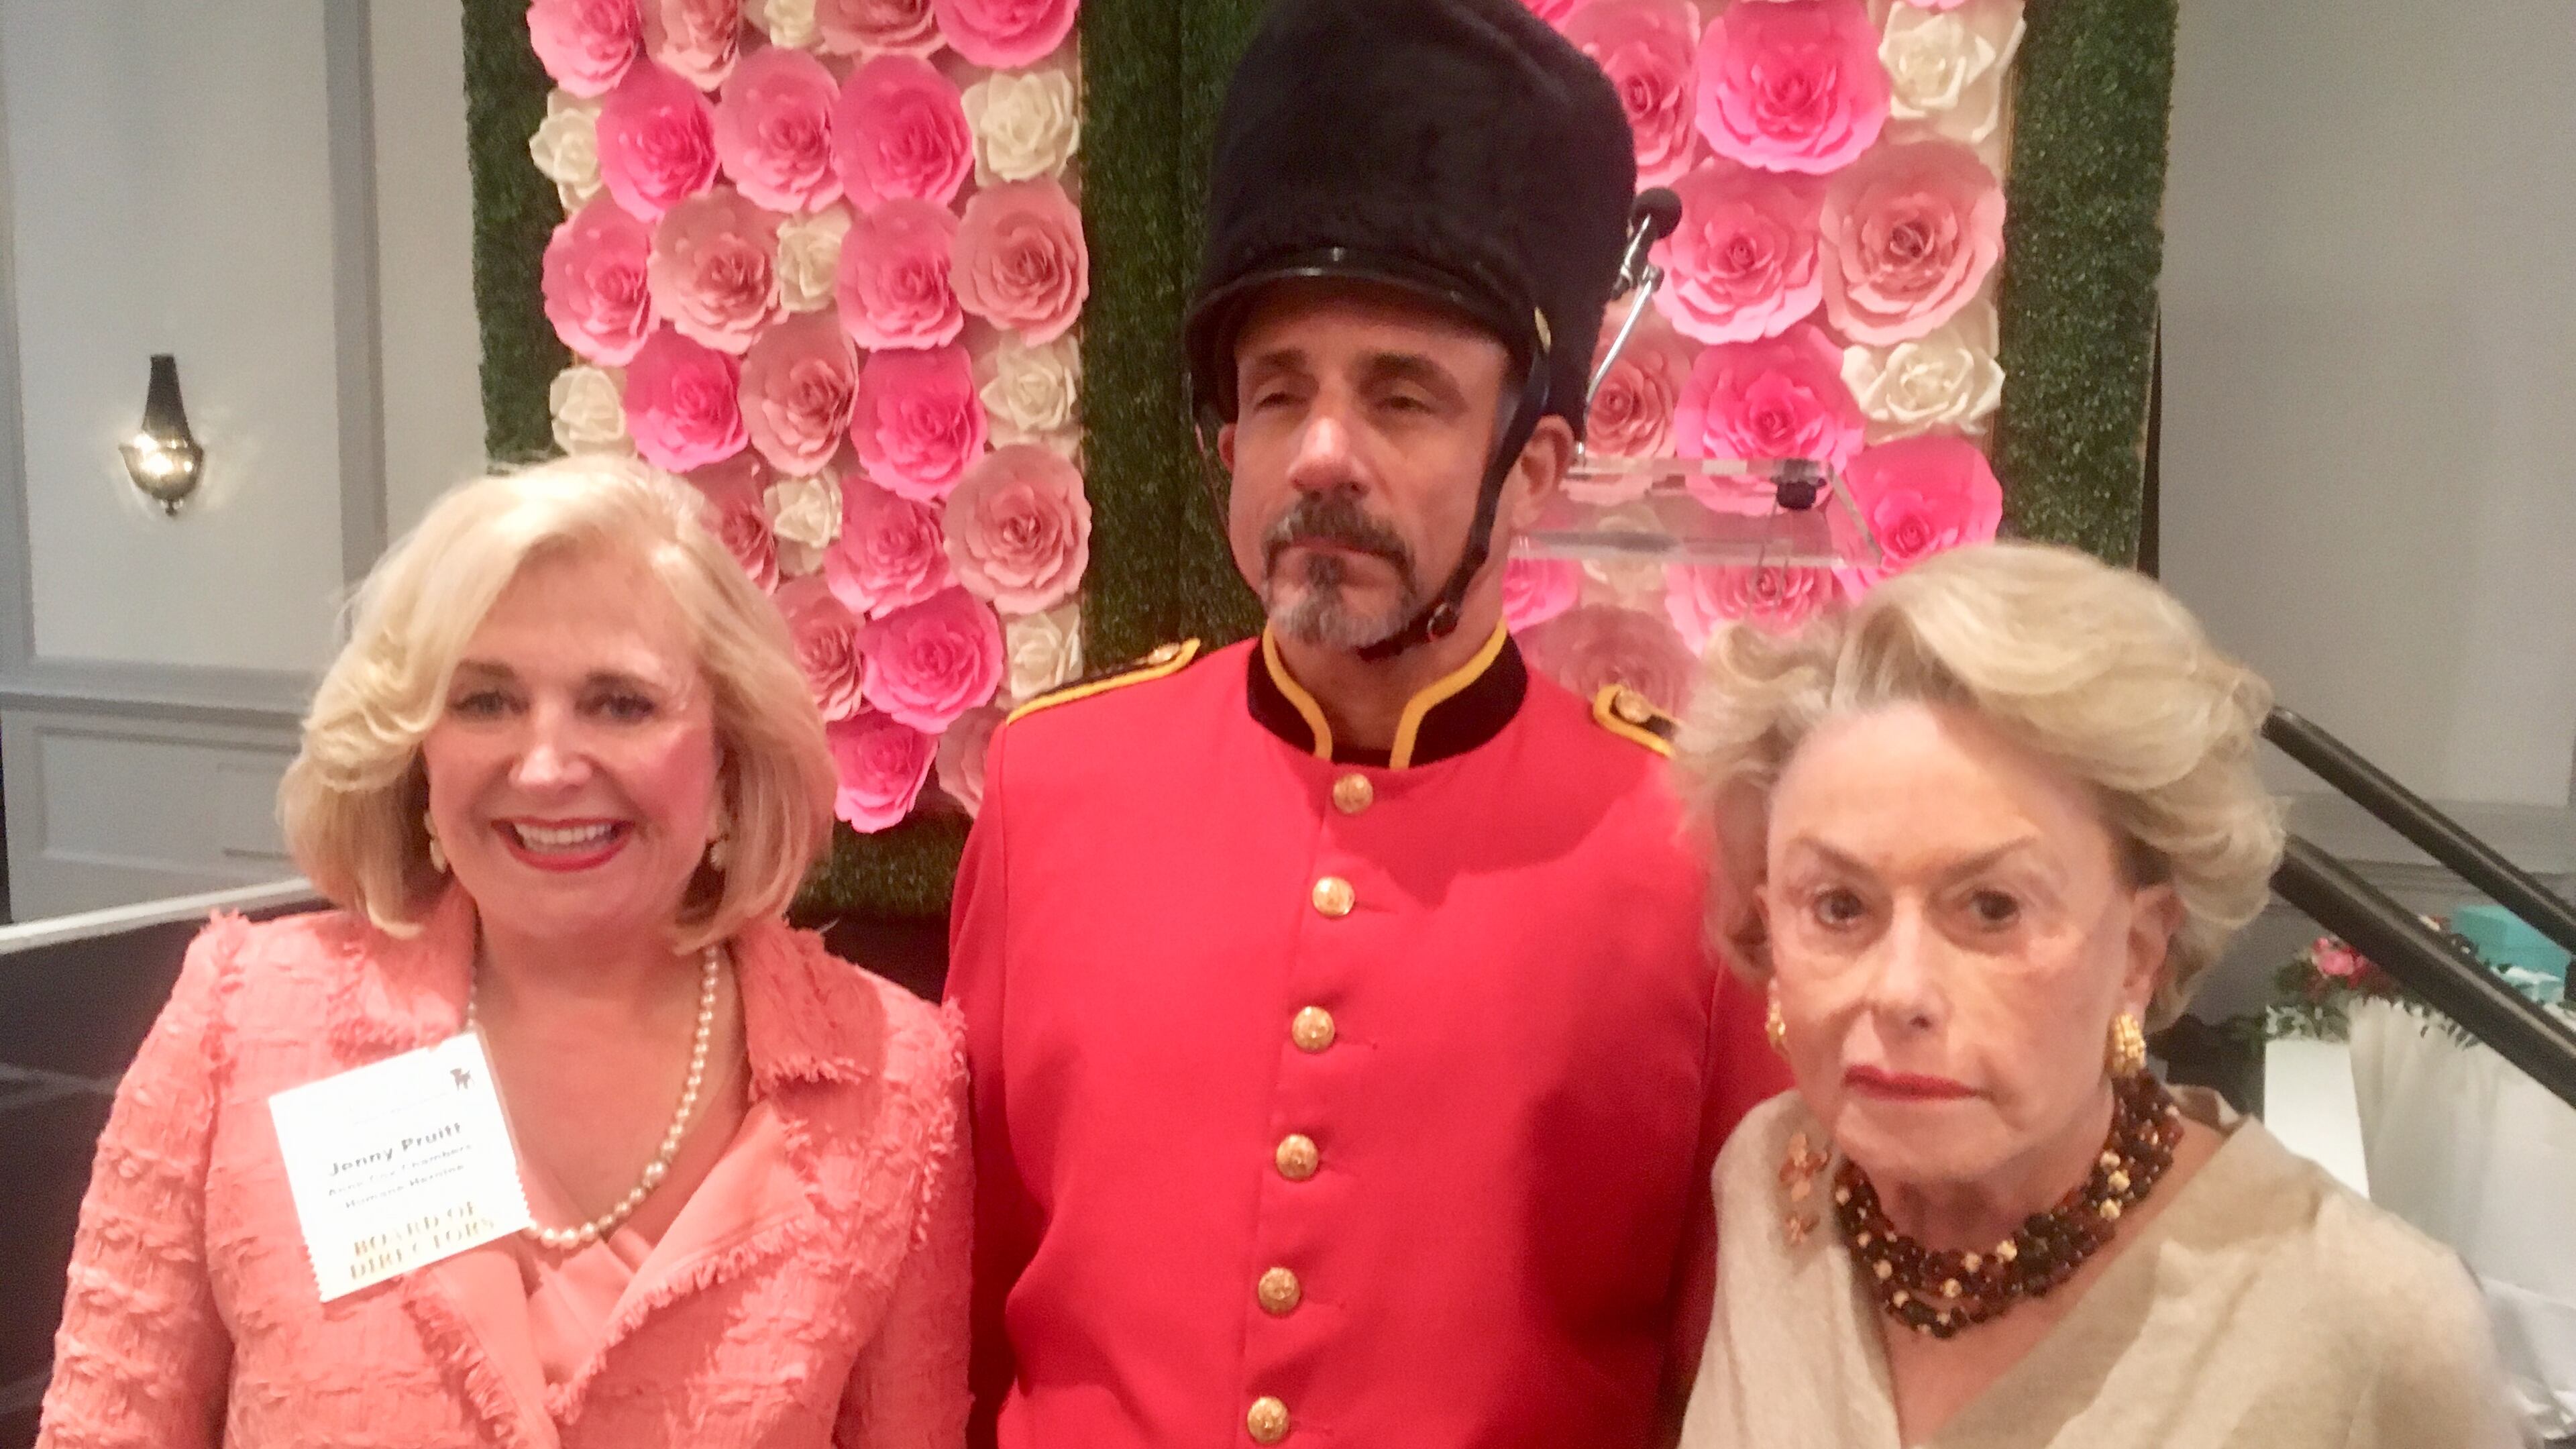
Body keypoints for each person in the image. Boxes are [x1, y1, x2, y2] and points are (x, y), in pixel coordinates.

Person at [945, 1, 1784, 1445]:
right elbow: (959, 1302)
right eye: (1280, 394)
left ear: (1533, 467)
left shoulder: (1697, 844)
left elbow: (1735, 1374)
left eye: (1403, 398)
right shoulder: (1052, 784)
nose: (1323, 453)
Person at [38, 457, 969, 1448]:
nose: (546, 765)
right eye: (485, 702)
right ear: (416, 753)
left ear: (730, 757)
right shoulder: (241, 1021)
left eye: (620, 702)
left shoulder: (891, 1079)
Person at [1670, 541, 2522, 1448]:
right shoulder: (1772, 1180)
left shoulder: (2373, 1321)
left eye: (1992, 908)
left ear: (2140, 951)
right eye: (1838, 906)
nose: (1901, 989)